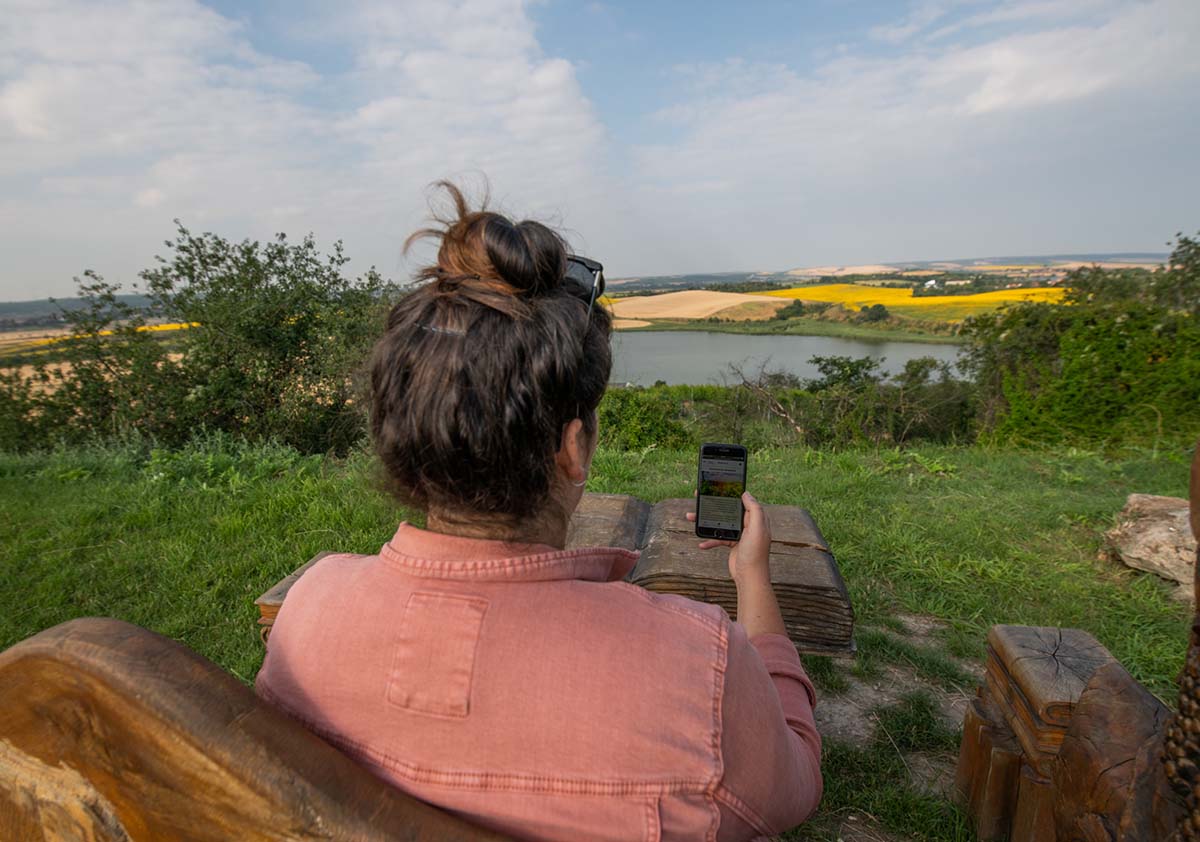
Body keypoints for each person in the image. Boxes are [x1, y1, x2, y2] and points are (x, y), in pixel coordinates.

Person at [255, 183, 822, 841]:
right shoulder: (702, 667)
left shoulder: (309, 611)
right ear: (572, 449)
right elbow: (797, 780)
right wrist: (752, 582)